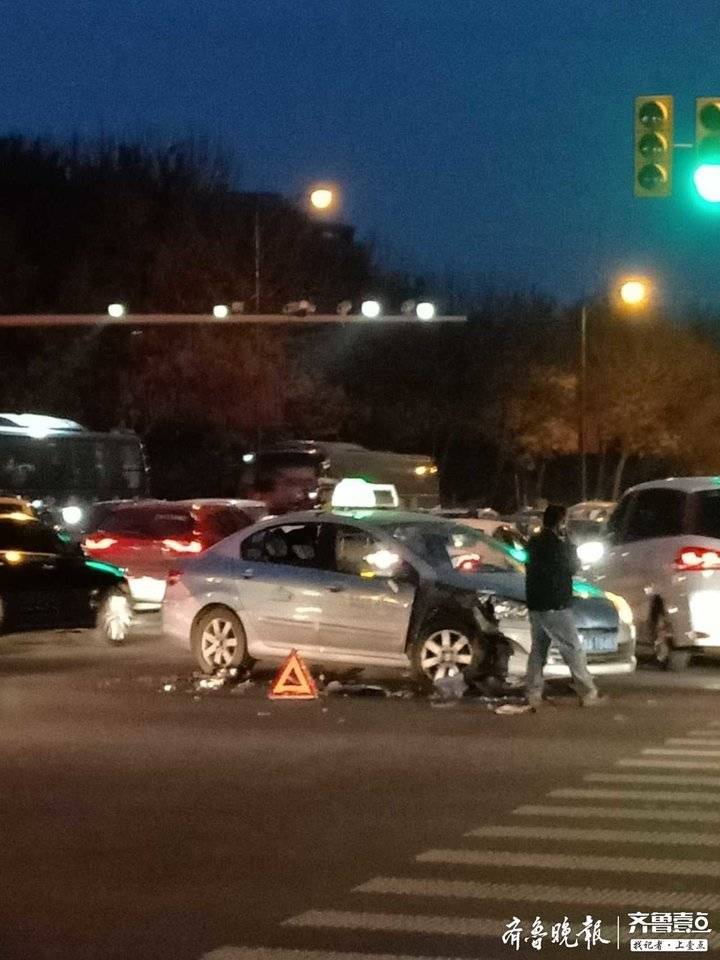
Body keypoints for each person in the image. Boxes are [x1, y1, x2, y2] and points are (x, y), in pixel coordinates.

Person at [524, 503, 604, 707]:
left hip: (536, 604)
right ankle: (587, 692)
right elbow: (572, 566)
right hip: (555, 604)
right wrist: (570, 542)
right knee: (572, 648)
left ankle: (533, 693)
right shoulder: (558, 546)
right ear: (561, 522)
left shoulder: (534, 543)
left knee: (538, 650)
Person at [248, 450, 319, 516]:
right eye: (291, 483)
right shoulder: (255, 519)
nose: (300, 494)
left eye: (308, 483)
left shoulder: (322, 520)